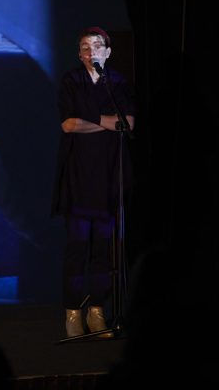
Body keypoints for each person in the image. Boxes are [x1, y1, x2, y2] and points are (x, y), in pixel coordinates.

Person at [51, 26, 135, 338]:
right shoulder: (71, 81)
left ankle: (97, 311)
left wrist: (92, 119)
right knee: (77, 248)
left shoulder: (117, 83)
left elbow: (128, 123)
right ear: (79, 54)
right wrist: (107, 122)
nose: (91, 52)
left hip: (109, 176)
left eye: (97, 46)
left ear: (108, 52)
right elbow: (69, 124)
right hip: (77, 176)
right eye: (85, 47)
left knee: (103, 250)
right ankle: (73, 312)